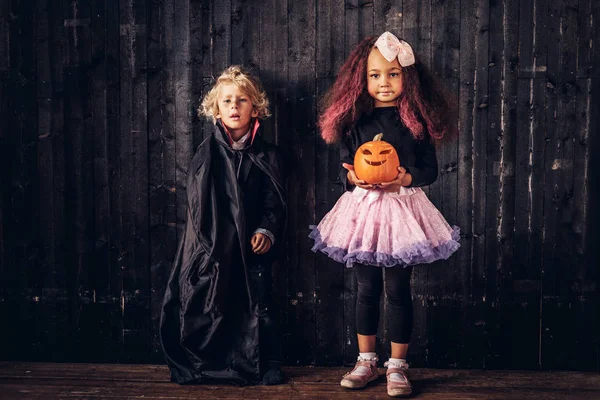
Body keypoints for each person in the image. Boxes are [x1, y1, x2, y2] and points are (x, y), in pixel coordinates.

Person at [309, 31, 460, 397]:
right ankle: (366, 361)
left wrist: (405, 177)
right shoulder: (355, 121)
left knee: (397, 290)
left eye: (392, 74)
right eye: (375, 75)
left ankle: (397, 366)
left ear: (407, 77)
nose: (384, 82)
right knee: (365, 288)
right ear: (361, 80)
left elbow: (429, 170)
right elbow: (347, 171)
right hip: (362, 212)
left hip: (401, 211)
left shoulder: (415, 122)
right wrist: (354, 177)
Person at [160, 66, 286, 386]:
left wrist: (265, 230)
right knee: (213, 298)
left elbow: (274, 201)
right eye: (227, 101)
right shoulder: (208, 154)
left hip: (252, 246)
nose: (234, 106)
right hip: (215, 244)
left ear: (254, 108)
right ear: (216, 109)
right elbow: (199, 206)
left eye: (241, 100)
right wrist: (211, 244)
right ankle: (212, 361)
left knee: (258, 303)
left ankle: (262, 362)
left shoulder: (267, 155)